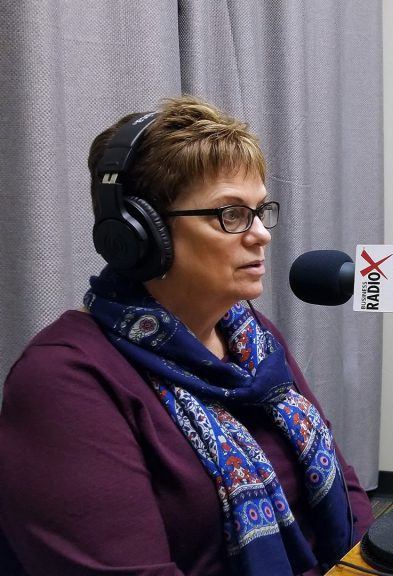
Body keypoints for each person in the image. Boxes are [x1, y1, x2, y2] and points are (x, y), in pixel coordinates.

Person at [0, 97, 373, 575]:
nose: (261, 234)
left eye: (260, 211)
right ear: (139, 234)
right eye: (230, 214)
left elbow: (345, 487)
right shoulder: (65, 381)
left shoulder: (252, 339)